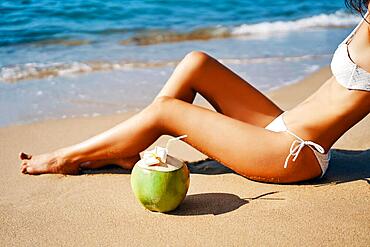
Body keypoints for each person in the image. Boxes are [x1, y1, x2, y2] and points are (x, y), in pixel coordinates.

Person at [19, 0, 370, 183]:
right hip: (282, 126)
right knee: (196, 62)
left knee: (166, 112)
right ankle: (128, 150)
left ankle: (66, 158)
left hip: (295, 154)